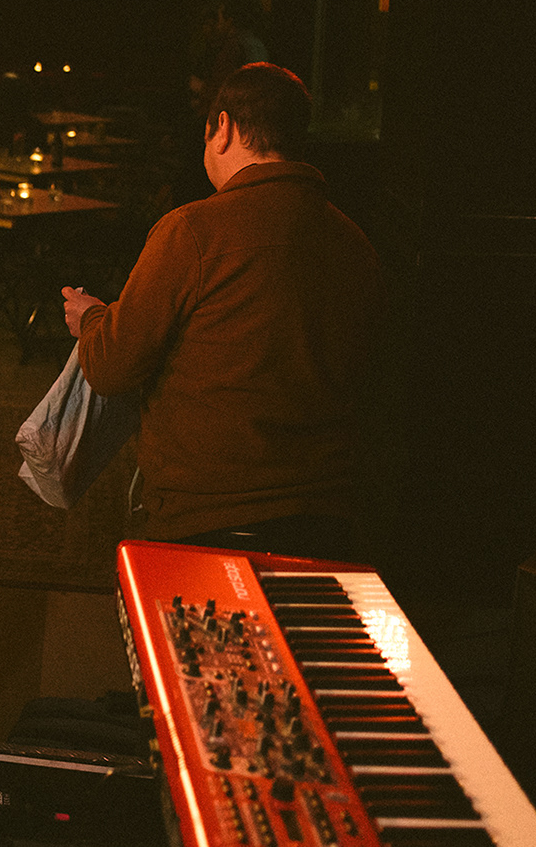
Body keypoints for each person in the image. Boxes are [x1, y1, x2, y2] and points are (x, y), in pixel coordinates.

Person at [61, 64, 381, 561]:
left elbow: (110, 366)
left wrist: (91, 318)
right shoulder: (353, 241)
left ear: (224, 127)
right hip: (327, 518)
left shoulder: (192, 231)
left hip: (205, 518)